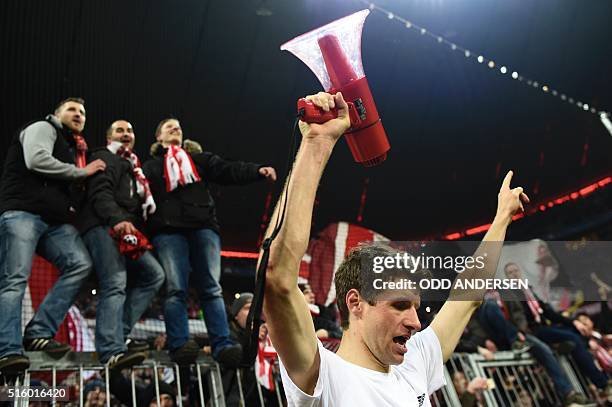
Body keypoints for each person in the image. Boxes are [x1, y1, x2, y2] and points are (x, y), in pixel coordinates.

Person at [261, 91, 529, 406]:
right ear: (356, 303)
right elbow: (276, 279)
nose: (416, 322)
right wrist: (317, 142)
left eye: (414, 307)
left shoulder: (414, 363)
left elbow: (467, 299)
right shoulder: (322, 375)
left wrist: (501, 220)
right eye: (400, 305)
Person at [143, 118, 277, 366]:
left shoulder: (198, 160)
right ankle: (180, 344)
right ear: (158, 137)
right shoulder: (151, 167)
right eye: (169, 127)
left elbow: (227, 169)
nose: (176, 129)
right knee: (175, 289)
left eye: (179, 127)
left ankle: (223, 345)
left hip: (203, 228)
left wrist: (256, 170)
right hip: (168, 231)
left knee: (212, 288)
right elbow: (140, 195)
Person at [0, 97, 106, 373]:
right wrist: (79, 172)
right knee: (14, 281)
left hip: (54, 221)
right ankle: (7, 350)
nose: (78, 114)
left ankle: (38, 332)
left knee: (80, 263)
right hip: (22, 212)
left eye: (82, 111)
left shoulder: (72, 148)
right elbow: (35, 159)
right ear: (56, 114)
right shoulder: (43, 127)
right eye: (71, 109)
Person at [78, 120, 165, 369]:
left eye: (130, 130)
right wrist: (116, 220)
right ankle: (110, 350)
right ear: (110, 137)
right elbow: (99, 193)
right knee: (115, 282)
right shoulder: (105, 157)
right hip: (104, 226)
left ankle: (119, 333)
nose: (126, 134)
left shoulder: (133, 165)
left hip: (127, 229)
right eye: (120, 130)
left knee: (154, 274)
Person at [504, 262, 611, 399]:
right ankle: (602, 383)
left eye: (515, 271)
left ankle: (565, 347)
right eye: (510, 273)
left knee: (575, 334)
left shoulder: (530, 290)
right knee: (573, 338)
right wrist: (524, 332)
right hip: (534, 330)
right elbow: (516, 316)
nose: (514, 274)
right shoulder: (510, 293)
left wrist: (574, 323)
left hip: (546, 327)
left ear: (520, 272)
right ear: (507, 277)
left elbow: (550, 313)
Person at [478, 298, 596, 406]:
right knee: (494, 380)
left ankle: (569, 394)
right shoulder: (476, 296)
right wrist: (483, 342)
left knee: (545, 351)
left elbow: (519, 314)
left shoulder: (507, 289)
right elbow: (473, 324)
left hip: (520, 336)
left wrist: (521, 332)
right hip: (494, 342)